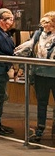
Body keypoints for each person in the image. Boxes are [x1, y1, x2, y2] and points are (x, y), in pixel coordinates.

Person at [15, 11, 55, 141]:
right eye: (43, 22)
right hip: (40, 74)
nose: (45, 25)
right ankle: (40, 130)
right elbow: (29, 46)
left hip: (53, 74)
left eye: (48, 22)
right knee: (41, 103)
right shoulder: (38, 34)